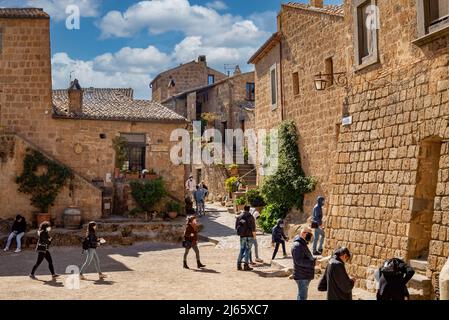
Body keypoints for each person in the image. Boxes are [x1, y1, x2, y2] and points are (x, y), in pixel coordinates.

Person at [291, 226, 316, 300]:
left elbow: (305, 257)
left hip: (303, 274)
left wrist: (314, 260)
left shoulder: (302, 244)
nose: (310, 236)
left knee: (301, 296)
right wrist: (313, 263)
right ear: (304, 233)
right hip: (302, 275)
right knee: (302, 297)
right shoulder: (298, 245)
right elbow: (299, 261)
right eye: (310, 234)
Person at [236, 205, 256, 271]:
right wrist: (254, 237)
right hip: (249, 236)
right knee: (247, 250)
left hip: (242, 236)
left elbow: (236, 227)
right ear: (249, 209)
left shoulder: (239, 217)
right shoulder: (251, 217)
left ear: (243, 209)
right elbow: (253, 228)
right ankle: (246, 265)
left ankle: (238, 265)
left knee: (242, 250)